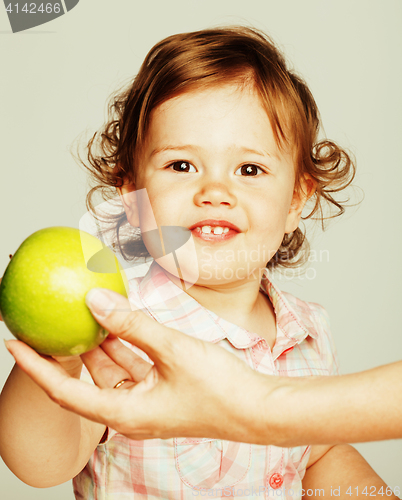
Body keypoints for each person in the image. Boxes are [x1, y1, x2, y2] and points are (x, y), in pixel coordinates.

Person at [0, 26, 397, 498]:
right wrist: (59, 352)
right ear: (133, 196)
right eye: (181, 166)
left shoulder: (309, 330)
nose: (214, 192)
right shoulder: (116, 324)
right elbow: (41, 462)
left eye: (249, 170)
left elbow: (318, 454)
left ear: (296, 200)